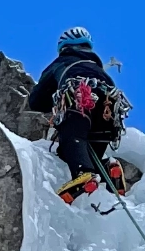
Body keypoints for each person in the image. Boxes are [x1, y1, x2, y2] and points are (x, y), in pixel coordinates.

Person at [27, 28, 132, 205]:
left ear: (64, 47)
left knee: (72, 137)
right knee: (87, 152)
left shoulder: (62, 63)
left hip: (79, 98)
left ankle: (83, 174)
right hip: (109, 109)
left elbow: (36, 101)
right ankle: (107, 169)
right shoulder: (99, 70)